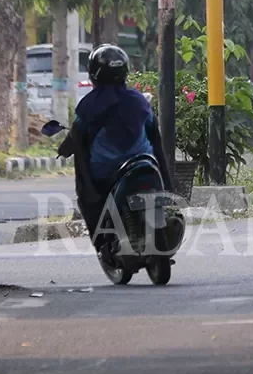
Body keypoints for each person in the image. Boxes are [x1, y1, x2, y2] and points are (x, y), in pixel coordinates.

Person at [57, 45, 172, 258]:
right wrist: (169, 185)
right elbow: (156, 140)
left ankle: (102, 243)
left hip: (107, 171)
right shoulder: (140, 101)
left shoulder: (88, 106)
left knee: (85, 192)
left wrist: (63, 149)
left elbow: (76, 142)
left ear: (94, 73)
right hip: (145, 162)